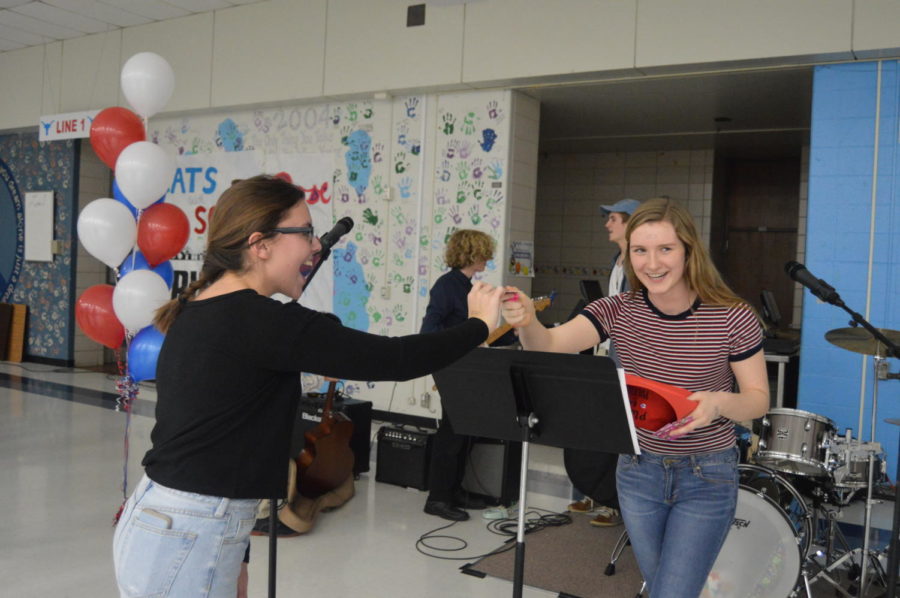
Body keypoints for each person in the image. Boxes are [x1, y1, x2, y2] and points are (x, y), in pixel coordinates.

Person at [111, 175, 505, 598]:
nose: (316, 246)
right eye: (305, 233)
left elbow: (216, 436)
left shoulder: (204, 305)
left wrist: (237, 552)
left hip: (176, 521)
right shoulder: (264, 323)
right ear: (260, 245)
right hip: (192, 532)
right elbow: (398, 359)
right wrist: (478, 325)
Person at [501, 198, 768, 598]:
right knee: (662, 586)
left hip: (707, 475)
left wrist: (718, 404)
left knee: (671, 592)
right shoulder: (618, 310)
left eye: (665, 249)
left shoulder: (732, 316)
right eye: (640, 250)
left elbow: (758, 399)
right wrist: (527, 322)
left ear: (688, 251)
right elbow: (553, 343)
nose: (652, 263)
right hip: (638, 472)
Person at [421, 229, 515, 522]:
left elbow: (477, 333)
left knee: (464, 431)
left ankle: (454, 491)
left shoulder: (468, 288)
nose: (488, 258)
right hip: (452, 369)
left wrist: (514, 331)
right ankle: (437, 498)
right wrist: (460, 341)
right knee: (451, 435)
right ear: (472, 253)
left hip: (467, 368)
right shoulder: (447, 287)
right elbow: (430, 331)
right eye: (484, 252)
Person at [566, 198, 641, 527]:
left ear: (630, 222)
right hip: (613, 362)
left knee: (626, 438)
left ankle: (624, 505)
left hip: (633, 367)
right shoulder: (617, 261)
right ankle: (604, 497)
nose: (607, 225)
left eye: (613, 219)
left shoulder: (640, 265)